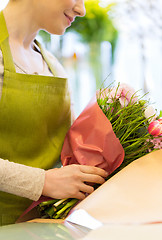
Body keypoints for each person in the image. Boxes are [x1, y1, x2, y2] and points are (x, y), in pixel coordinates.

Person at [0, 0, 108, 226]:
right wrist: (42, 182)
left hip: (42, 227)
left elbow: (70, 148)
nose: (82, 10)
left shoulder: (52, 65)